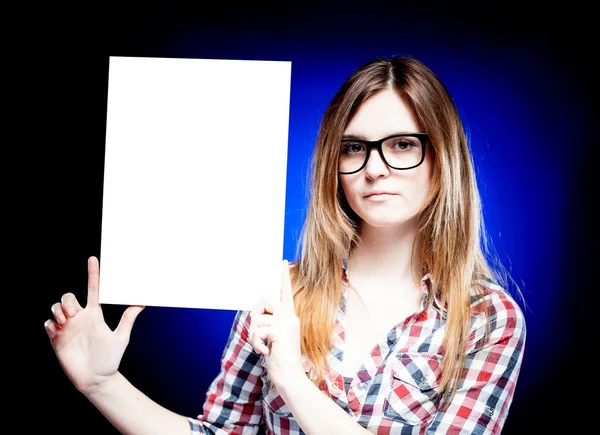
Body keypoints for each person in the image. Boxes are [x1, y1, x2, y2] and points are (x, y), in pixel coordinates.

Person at [45, 54, 526, 434]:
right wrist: (101, 384)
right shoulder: (278, 297)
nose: (375, 168)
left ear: (441, 159)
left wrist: (293, 381)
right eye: (354, 147)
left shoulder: (488, 320)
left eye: (402, 144)